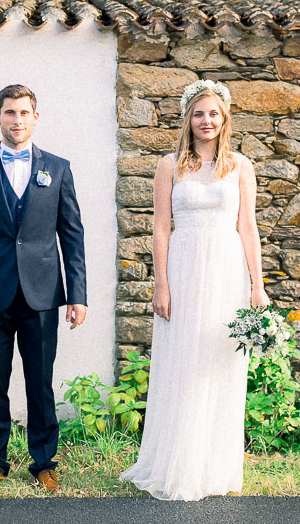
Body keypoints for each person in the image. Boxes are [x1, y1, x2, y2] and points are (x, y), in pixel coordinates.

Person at [118, 79, 270, 501]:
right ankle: (176, 465)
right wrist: (161, 284)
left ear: (225, 119)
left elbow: (248, 227)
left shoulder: (240, 166)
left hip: (225, 271)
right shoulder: (170, 165)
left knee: (219, 364)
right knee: (183, 364)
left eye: (214, 114)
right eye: (199, 113)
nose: (207, 121)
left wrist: (258, 287)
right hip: (184, 270)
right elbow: (161, 227)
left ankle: (213, 468)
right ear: (188, 118)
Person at [0, 84, 88, 495]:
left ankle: (44, 463)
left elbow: (72, 234)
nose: (17, 120)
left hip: (43, 294)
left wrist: (77, 294)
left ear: (36, 117)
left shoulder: (59, 168)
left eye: (24, 112)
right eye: (9, 113)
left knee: (39, 381)